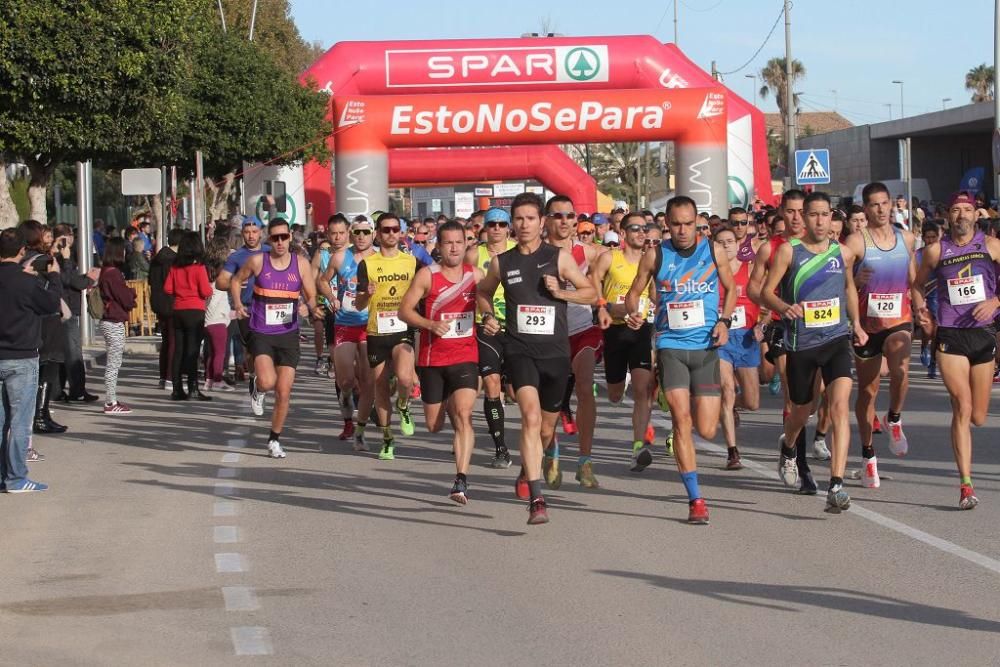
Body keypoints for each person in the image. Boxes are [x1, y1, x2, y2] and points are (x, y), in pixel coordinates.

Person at [477, 191, 597, 525]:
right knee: (529, 418)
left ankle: (527, 469)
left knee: (546, 428)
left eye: (530, 218)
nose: (524, 224)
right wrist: (488, 315)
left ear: (541, 222)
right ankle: (537, 496)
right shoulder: (503, 262)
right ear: (512, 225)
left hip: (556, 354)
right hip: (520, 350)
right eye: (519, 219)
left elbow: (591, 292)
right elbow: (483, 291)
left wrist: (562, 293)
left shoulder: (558, 257)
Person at [625, 196, 737, 525]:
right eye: (676, 224)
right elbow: (634, 292)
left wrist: (725, 321)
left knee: (707, 427)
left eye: (689, 223)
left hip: (705, 348)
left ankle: (691, 415)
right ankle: (696, 499)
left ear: (697, 222)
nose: (683, 230)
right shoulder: (656, 254)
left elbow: (730, 289)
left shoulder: (713, 251)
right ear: (666, 224)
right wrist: (633, 312)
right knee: (681, 420)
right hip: (671, 345)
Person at [761, 191, 866, 513]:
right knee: (801, 412)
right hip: (801, 344)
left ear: (832, 217)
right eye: (814, 215)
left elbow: (848, 288)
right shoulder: (788, 253)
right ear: (803, 218)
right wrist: (783, 306)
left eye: (825, 215)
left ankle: (836, 484)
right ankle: (789, 446)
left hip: (836, 339)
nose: (820, 221)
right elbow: (766, 292)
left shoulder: (843, 253)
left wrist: (857, 325)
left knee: (838, 408)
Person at [913, 191, 1000, 510]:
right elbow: (917, 285)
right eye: (956, 210)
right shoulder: (936, 251)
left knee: (978, 416)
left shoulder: (991, 247)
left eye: (967, 210)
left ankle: (966, 478)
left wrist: (995, 301)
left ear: (977, 215)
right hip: (950, 335)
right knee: (961, 407)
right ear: (948, 216)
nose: (961, 215)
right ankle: (966, 485)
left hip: (982, 335)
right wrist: (923, 312)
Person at [399, 220, 481, 503]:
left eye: (459, 242)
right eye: (449, 243)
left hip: (466, 356)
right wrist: (429, 324)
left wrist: (490, 317)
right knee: (434, 425)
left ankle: (461, 480)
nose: (455, 248)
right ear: (440, 246)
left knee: (464, 414)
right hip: (433, 359)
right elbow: (404, 311)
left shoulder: (475, 275)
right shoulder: (427, 276)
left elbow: (488, 302)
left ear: (465, 244)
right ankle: (447, 404)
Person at [845, 182, 918, 489]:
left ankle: (895, 417)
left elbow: (913, 279)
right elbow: (838, 279)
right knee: (867, 393)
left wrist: (923, 304)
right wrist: (854, 279)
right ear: (865, 208)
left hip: (899, 320)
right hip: (867, 327)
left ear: (892, 205)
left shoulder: (908, 239)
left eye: (884, 203)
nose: (880, 209)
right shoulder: (857, 242)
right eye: (873, 204)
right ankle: (868, 457)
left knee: (901, 366)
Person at [231, 218, 319, 459]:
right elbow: (236, 281)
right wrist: (238, 303)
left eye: (284, 237)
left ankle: (274, 439)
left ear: (290, 237)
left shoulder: (301, 264)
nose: (280, 242)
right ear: (269, 239)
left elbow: (311, 295)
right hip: (261, 332)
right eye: (275, 238)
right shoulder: (258, 261)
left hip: (288, 334)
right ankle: (258, 389)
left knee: (283, 391)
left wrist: (307, 307)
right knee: (268, 382)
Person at [545, 194, 605, 489]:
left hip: (582, 329)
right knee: (551, 401)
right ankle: (551, 450)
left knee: (585, 387)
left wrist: (605, 306)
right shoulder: (536, 253)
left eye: (570, 216)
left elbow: (603, 282)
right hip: (546, 334)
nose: (565, 221)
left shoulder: (591, 253)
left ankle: (584, 461)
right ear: (546, 220)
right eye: (558, 216)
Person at [591, 212, 657, 470]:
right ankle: (619, 383)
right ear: (624, 234)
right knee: (616, 394)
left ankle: (638, 447)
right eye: (636, 228)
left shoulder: (650, 260)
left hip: (641, 329)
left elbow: (654, 293)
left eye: (644, 229)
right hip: (615, 331)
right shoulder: (610, 257)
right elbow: (593, 280)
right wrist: (602, 307)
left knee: (642, 389)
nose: (642, 233)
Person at [0, 227, 62, 492]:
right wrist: (55, 276)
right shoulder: (26, 282)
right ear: (22, 251)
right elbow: (51, 304)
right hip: (22, 356)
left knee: (2, 421)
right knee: (19, 421)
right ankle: (15, 477)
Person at [354, 213, 419, 461]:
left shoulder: (411, 262)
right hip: (376, 331)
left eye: (395, 229)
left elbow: (425, 290)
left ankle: (403, 404)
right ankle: (387, 439)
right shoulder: (367, 264)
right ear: (378, 234)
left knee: (405, 377)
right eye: (386, 230)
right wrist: (366, 294)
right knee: (380, 387)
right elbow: (359, 304)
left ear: (400, 232)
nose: (391, 234)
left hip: (402, 328)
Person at [464, 206, 516, 468]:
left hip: (517, 327)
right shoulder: (475, 253)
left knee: (517, 393)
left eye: (501, 224)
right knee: (492, 384)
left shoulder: (519, 251)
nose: (496, 228)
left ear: (509, 227)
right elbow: (462, 285)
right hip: (485, 326)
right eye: (491, 224)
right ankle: (501, 447)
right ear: (485, 227)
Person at [318, 217, 376, 448]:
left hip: (370, 326)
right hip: (344, 325)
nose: (361, 236)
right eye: (357, 232)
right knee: (346, 380)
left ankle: (359, 429)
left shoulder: (380, 259)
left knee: (367, 379)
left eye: (365, 232)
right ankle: (346, 402)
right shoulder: (341, 257)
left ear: (372, 233)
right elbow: (322, 280)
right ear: (352, 234)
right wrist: (331, 297)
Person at [714, 226, 763, 471]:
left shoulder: (750, 269)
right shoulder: (711, 274)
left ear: (738, 244)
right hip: (721, 338)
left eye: (730, 241)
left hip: (746, 339)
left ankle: (731, 406)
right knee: (726, 389)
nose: (726, 246)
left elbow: (767, 299)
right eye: (721, 242)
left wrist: (762, 324)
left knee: (753, 402)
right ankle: (733, 452)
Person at [216, 215, 269, 385]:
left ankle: (266, 375)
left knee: (269, 347)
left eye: (254, 232)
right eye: (247, 232)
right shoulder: (236, 256)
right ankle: (254, 376)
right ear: (242, 234)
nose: (251, 236)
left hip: (270, 308)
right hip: (247, 309)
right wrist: (235, 282)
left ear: (261, 232)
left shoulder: (271, 252)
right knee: (252, 349)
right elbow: (220, 282)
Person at [53, 224, 100, 403]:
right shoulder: (59, 258)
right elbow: (67, 280)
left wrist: (86, 278)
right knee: (73, 352)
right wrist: (88, 279)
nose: (69, 240)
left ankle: (62, 390)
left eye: (71, 235)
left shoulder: (68, 256)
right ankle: (77, 391)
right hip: (65, 310)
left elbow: (72, 280)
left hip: (69, 307)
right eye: (65, 236)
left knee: (66, 351)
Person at [164, 232, 213, 401]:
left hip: (178, 309)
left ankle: (177, 388)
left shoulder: (175, 267)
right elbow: (206, 291)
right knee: (192, 351)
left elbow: (168, 289)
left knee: (178, 350)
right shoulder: (199, 268)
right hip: (195, 310)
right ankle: (193, 388)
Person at [98, 237, 137, 415]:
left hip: (109, 319)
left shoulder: (105, 271)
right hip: (114, 320)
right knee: (113, 364)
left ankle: (111, 399)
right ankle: (110, 401)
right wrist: (131, 292)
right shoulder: (113, 274)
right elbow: (126, 299)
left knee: (113, 362)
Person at [149, 227, 182, 390]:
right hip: (172, 303)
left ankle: (163, 376)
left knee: (166, 341)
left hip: (158, 302)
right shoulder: (174, 261)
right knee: (173, 341)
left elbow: (150, 280)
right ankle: (170, 377)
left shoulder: (157, 259)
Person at [203, 237, 234, 392]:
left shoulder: (206, 269)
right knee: (220, 352)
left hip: (208, 316)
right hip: (218, 317)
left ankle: (208, 379)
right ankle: (217, 379)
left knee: (211, 351)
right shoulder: (223, 271)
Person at [915, 221, 941, 378]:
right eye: (928, 237)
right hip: (923, 296)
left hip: (939, 296)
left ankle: (933, 364)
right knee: (927, 330)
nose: (931, 240)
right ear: (923, 238)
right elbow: (915, 280)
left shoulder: (942, 253)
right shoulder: (918, 255)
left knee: (937, 332)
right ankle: (924, 346)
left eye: (934, 237)